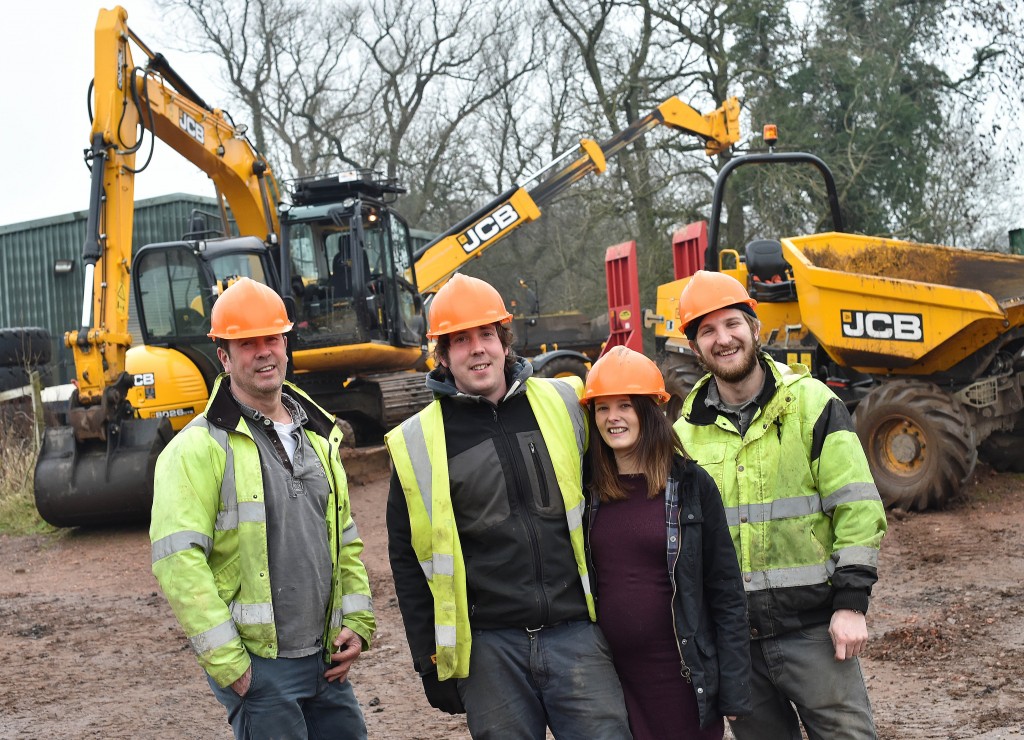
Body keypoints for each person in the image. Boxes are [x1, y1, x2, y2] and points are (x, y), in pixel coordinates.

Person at [385, 273, 631, 739]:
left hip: (576, 631)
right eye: (461, 340)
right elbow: (407, 558)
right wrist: (427, 658)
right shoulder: (417, 440)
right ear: (442, 354)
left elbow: (619, 492)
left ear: (504, 340)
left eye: (486, 334)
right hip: (489, 649)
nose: (477, 349)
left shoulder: (564, 402)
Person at [150, 277, 376, 740]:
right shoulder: (196, 448)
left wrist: (355, 621)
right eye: (246, 343)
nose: (263, 352)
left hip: (325, 659)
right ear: (224, 356)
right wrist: (230, 663)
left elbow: (343, 536)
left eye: (271, 338)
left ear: (286, 344)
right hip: (261, 667)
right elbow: (178, 559)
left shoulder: (318, 435)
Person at [672, 270, 888, 740]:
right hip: (735, 643)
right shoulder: (686, 433)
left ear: (755, 328)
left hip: (814, 632)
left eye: (731, 324)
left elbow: (858, 508)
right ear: (695, 348)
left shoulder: (812, 405)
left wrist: (852, 604)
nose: (722, 339)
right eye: (706, 331)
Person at [581, 346, 751, 740]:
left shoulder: (691, 485)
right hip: (612, 679)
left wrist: (736, 690)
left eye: (625, 405)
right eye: (602, 408)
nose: (613, 418)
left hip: (682, 677)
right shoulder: (585, 490)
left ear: (650, 411)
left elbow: (725, 590)